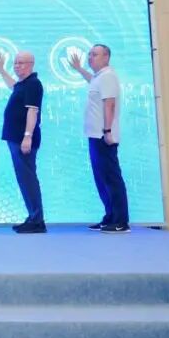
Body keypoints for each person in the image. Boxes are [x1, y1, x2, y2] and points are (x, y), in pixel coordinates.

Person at [69, 44, 130, 233]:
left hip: (103, 136)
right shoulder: (99, 77)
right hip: (95, 135)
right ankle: (110, 216)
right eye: (89, 54)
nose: (90, 57)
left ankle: (121, 221)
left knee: (111, 178)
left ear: (106, 57)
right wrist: (79, 69)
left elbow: (109, 104)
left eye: (94, 54)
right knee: (101, 179)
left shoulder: (108, 76)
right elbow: (93, 82)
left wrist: (107, 130)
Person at [0, 50, 46, 233]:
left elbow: (32, 111)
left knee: (28, 179)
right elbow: (13, 86)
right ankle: (33, 216)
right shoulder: (23, 84)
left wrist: (27, 136)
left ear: (31, 64)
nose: (17, 66)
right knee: (24, 179)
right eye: (15, 63)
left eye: (21, 63)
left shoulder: (34, 84)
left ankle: (37, 220)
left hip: (23, 139)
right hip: (16, 138)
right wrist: (1, 70)